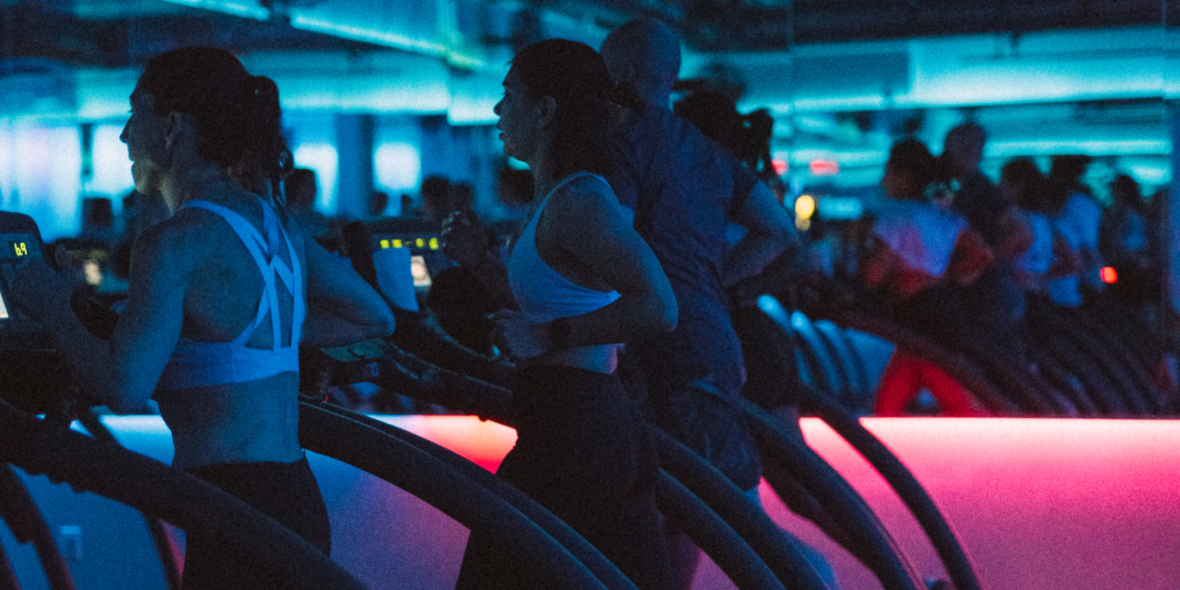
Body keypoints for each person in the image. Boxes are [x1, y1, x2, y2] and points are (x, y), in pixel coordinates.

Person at [11, 47, 396, 589]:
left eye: (134, 113)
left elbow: (125, 388)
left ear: (171, 127)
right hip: (292, 495)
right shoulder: (275, 223)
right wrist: (272, 339)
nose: (123, 134)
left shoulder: (173, 242)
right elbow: (374, 316)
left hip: (233, 505)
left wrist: (54, 305)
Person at [443, 39, 677, 590]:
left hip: (578, 431)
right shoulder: (552, 200)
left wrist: (549, 336)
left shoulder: (580, 201)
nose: (497, 110)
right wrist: (480, 263)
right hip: (569, 422)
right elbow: (549, 305)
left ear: (545, 110)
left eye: (508, 96)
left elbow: (659, 306)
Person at [599, 19, 797, 590]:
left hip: (662, 349)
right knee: (698, 512)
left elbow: (612, 245)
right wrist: (714, 281)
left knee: (724, 519)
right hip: (711, 343)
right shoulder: (706, 151)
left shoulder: (624, 144)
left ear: (622, 72)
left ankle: (815, 578)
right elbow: (779, 232)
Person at [863, 139, 993, 416]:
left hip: (918, 314)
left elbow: (874, 274)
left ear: (904, 176)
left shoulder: (895, 216)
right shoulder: (943, 216)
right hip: (942, 309)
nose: (883, 179)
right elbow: (982, 254)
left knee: (951, 399)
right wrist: (946, 276)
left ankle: (994, 435)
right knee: (895, 400)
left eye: (888, 171)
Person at [942, 123, 1032, 362]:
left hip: (986, 299)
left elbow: (1023, 233)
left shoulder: (981, 191)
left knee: (988, 364)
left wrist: (980, 261)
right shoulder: (965, 188)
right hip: (985, 297)